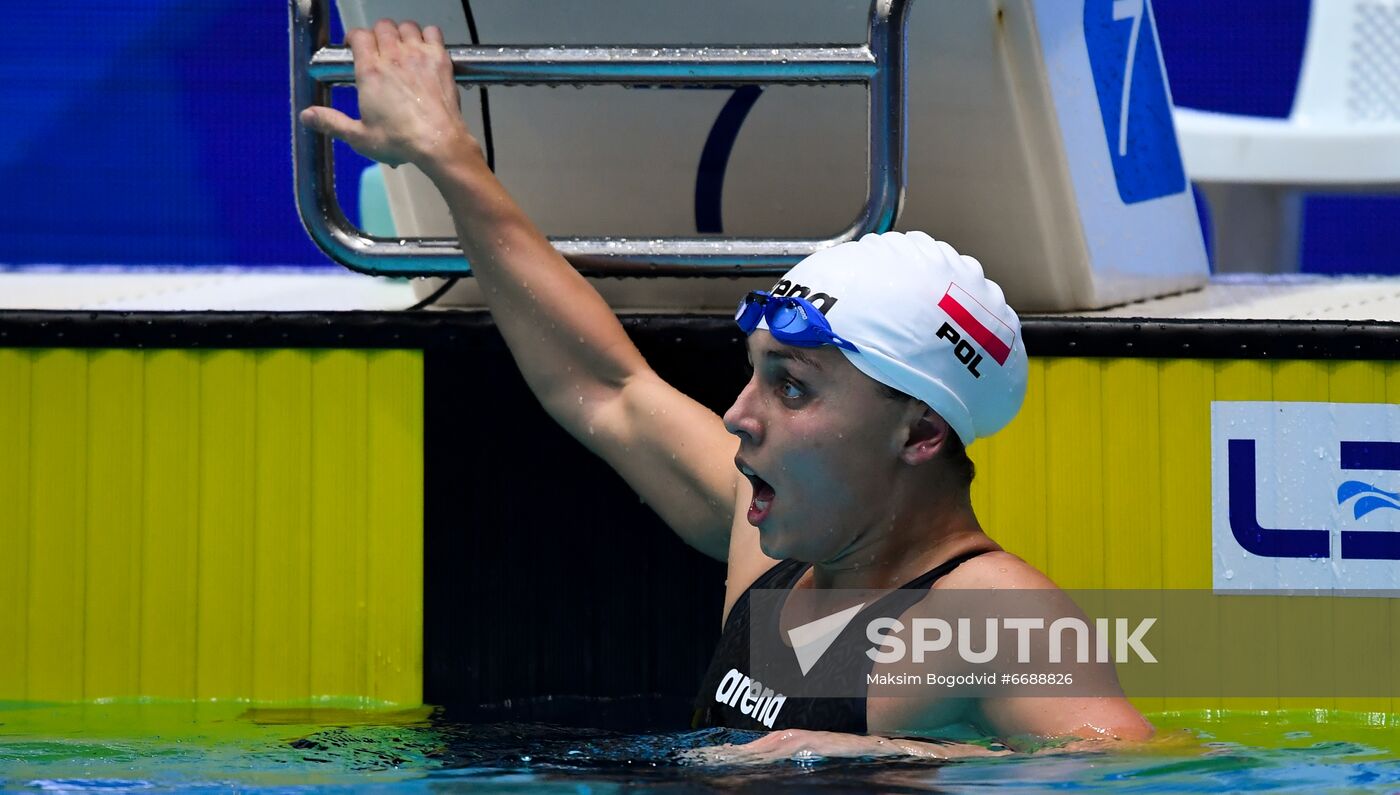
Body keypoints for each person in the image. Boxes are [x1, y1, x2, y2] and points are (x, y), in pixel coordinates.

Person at [300, 19, 1153, 762]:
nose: (738, 414)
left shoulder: (988, 616)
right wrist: (448, 156)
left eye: (791, 388)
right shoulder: (778, 548)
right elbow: (608, 384)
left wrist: (895, 756)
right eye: (754, 373)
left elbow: (1150, 770)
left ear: (920, 429)